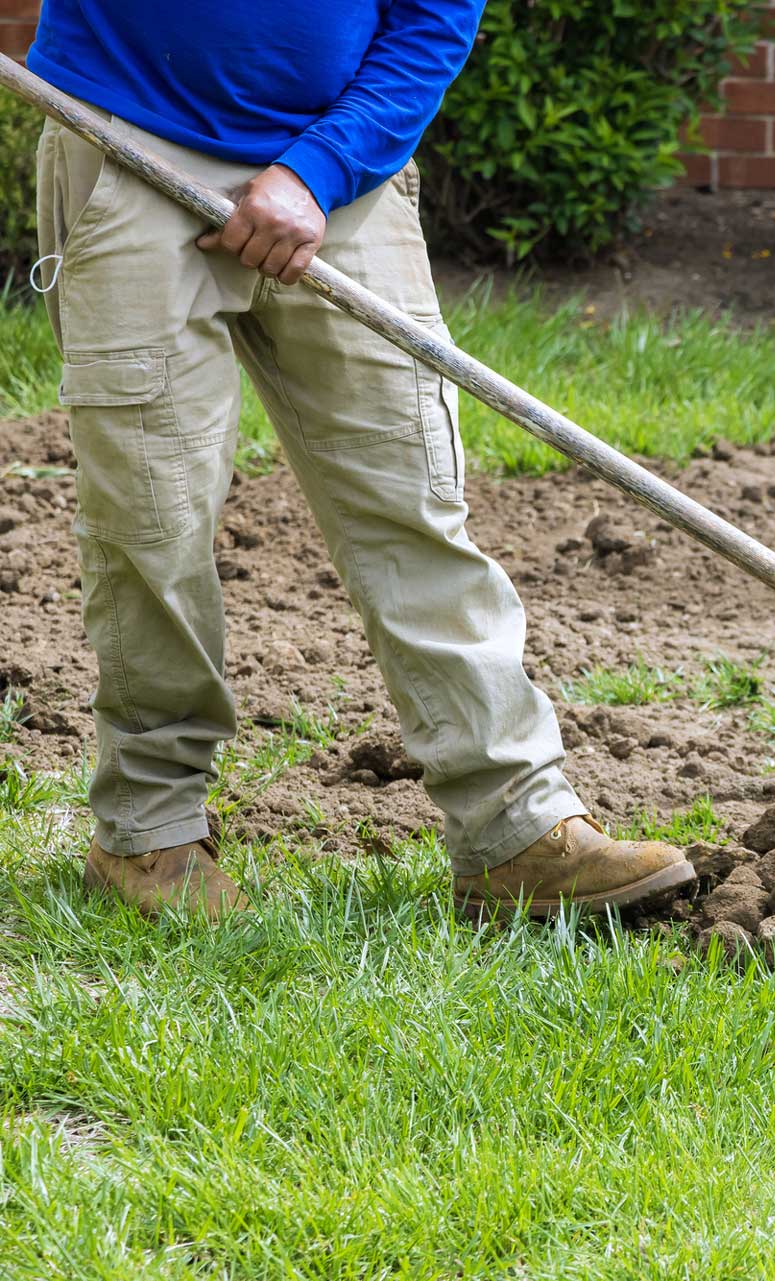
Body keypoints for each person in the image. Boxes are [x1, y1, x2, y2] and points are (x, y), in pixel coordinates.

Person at [25, 2, 693, 920]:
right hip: (130, 143)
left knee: (411, 495)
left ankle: (516, 829)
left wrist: (319, 170)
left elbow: (435, 13)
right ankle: (150, 830)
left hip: (343, 167)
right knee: (153, 513)